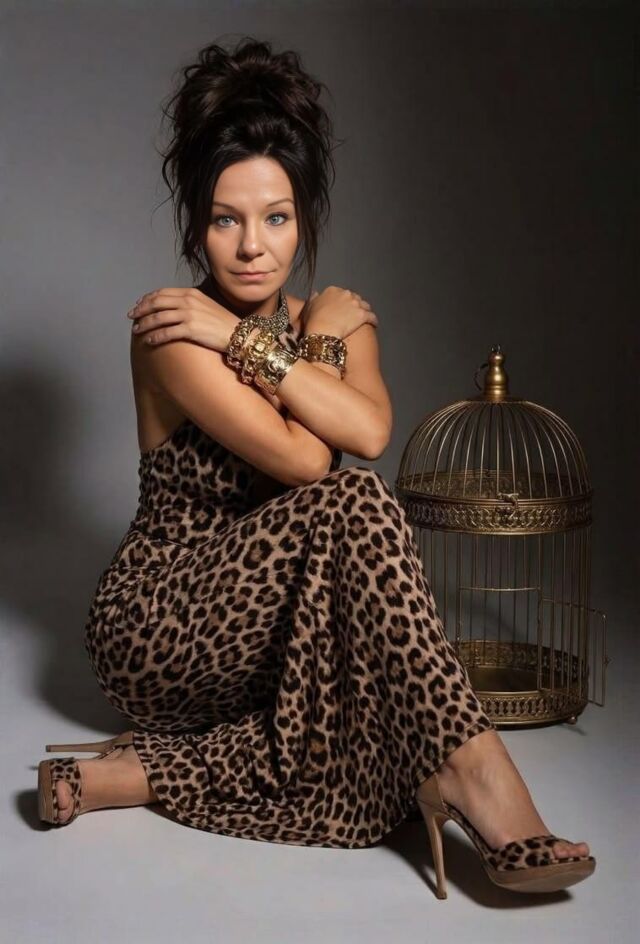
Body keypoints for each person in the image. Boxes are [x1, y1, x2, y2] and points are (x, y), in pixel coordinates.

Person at [37, 36, 594, 899]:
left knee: (370, 721)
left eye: (277, 217)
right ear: (194, 224)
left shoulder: (331, 318)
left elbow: (367, 428)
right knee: (353, 502)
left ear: (305, 218)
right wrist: (265, 340)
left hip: (276, 643)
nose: (252, 247)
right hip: (162, 625)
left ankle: (128, 777)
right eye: (225, 219)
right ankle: (478, 769)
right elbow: (311, 461)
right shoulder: (174, 329)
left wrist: (282, 337)